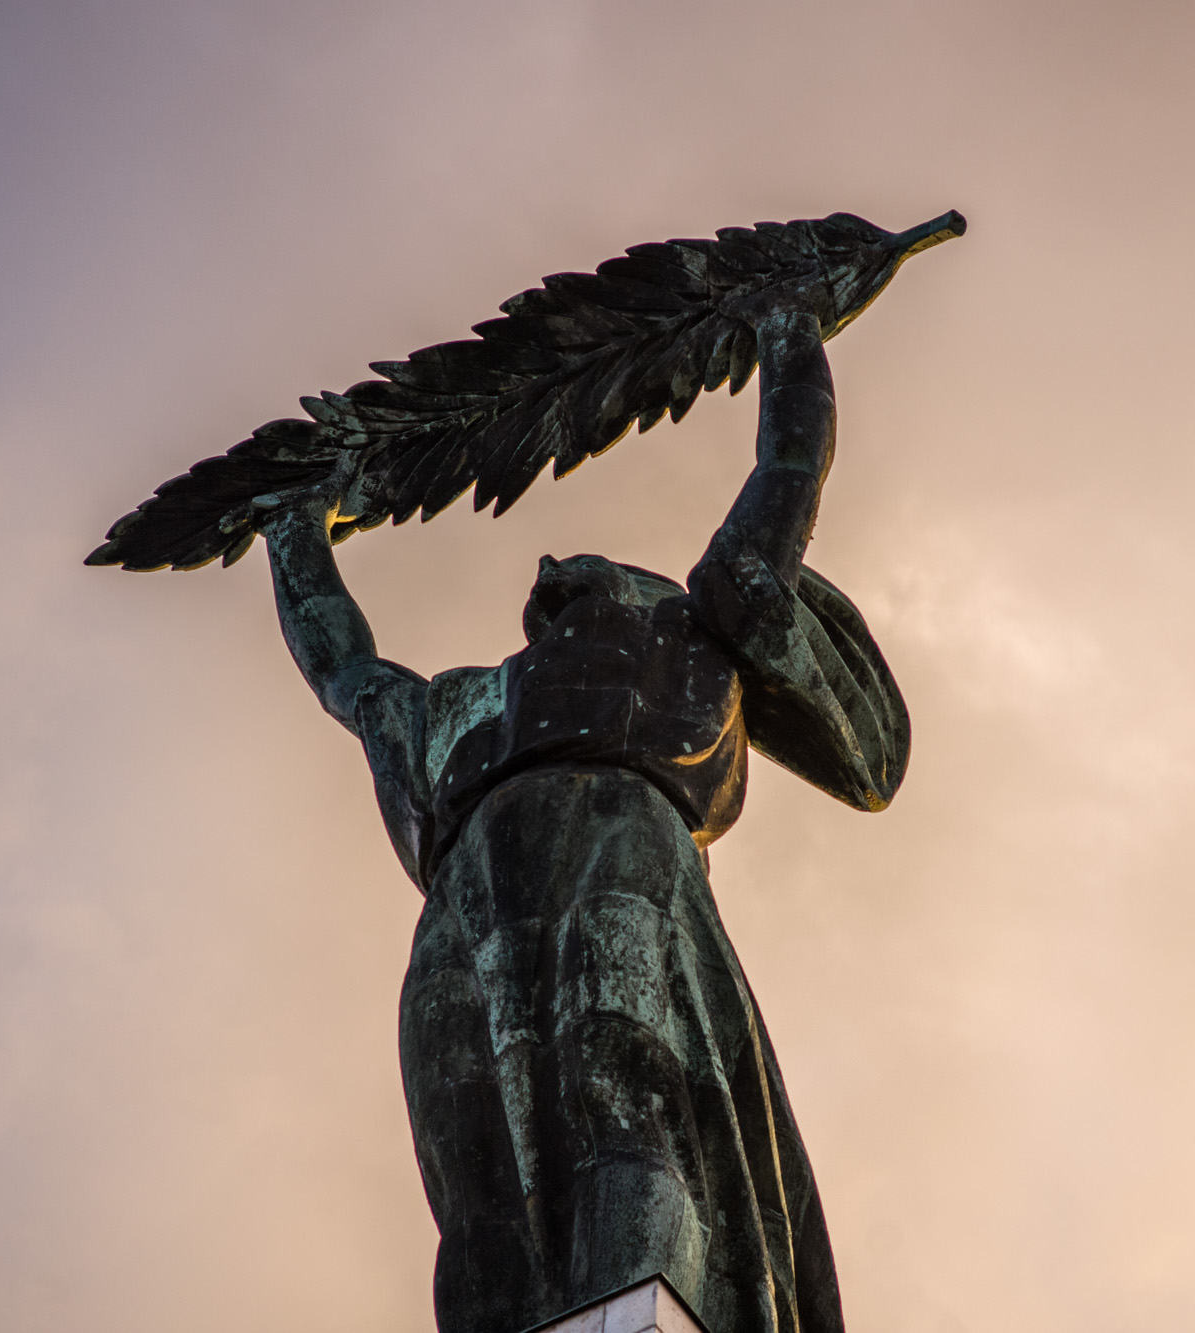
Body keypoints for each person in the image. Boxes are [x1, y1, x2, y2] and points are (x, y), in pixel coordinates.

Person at [256, 285, 908, 1333]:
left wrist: (789, 339)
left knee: (622, 1100)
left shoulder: (687, 646)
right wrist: (294, 534)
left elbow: (782, 479)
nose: (549, 570)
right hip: (466, 903)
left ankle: (639, 1306)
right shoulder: (459, 709)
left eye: (584, 570)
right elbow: (346, 669)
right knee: (474, 1174)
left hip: (622, 846)